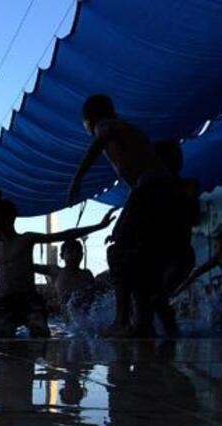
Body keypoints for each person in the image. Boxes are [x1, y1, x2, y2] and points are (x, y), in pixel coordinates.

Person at [68, 94, 172, 337]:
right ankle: (142, 320)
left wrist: (78, 178)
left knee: (119, 252)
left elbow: (100, 141)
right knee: (141, 257)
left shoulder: (106, 126)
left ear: (89, 119)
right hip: (156, 191)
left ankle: (122, 320)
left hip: (149, 189)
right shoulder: (125, 129)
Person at [0, 202, 117, 338]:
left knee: (39, 331)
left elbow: (63, 235)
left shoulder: (25, 239)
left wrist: (99, 226)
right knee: (2, 335)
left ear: (9, 219)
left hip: (28, 298)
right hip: (6, 301)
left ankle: (33, 355)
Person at [150, 139, 200, 337]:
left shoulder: (187, 186)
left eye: (175, 159)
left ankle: (171, 335)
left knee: (157, 298)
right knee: (152, 299)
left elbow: (194, 218)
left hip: (179, 253)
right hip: (160, 254)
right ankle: (168, 334)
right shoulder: (151, 188)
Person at [34, 239, 95, 312]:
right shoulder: (57, 271)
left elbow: (95, 297)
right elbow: (31, 267)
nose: (75, 255)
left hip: (85, 315)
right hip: (65, 316)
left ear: (82, 254)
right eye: (70, 252)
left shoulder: (87, 274)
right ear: (62, 256)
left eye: (78, 251)